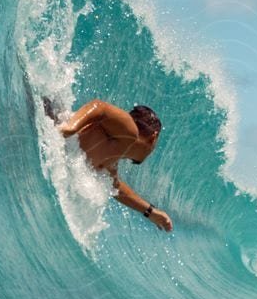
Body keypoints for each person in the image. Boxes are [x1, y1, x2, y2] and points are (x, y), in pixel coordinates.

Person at [44, 98, 172, 231]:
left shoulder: (113, 158)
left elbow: (115, 186)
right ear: (153, 137)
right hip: (50, 113)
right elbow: (100, 107)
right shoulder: (131, 132)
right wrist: (70, 128)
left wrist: (150, 212)